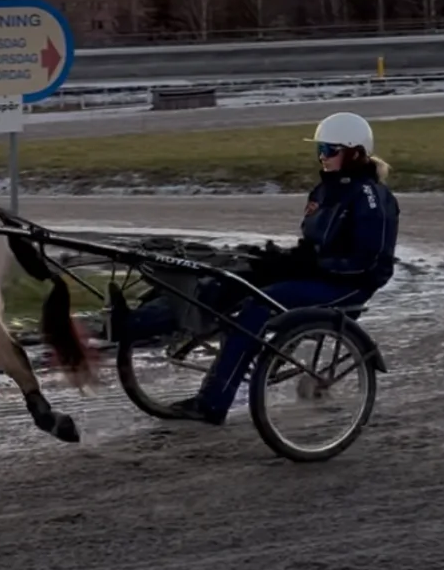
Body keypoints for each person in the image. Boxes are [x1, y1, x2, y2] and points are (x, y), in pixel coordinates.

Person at [161, 111, 399, 424]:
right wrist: (283, 259)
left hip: (348, 287)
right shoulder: (325, 190)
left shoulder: (372, 198)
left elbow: (368, 262)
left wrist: (315, 266)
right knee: (237, 286)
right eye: (320, 149)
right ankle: (231, 364)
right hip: (320, 277)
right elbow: (311, 245)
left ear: (354, 153)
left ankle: (211, 404)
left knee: (257, 307)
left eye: (329, 150)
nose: (322, 156)